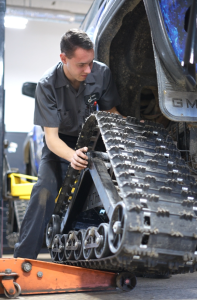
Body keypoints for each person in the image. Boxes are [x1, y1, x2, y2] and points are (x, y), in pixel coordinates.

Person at [14, 29, 122, 259]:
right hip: (61, 144)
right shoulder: (47, 85)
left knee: (117, 188)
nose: (88, 70)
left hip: (94, 140)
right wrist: (72, 156)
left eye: (91, 62)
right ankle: (24, 259)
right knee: (43, 191)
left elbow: (111, 112)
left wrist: (130, 131)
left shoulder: (101, 73)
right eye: (81, 64)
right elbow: (51, 139)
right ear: (63, 59)